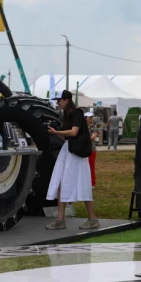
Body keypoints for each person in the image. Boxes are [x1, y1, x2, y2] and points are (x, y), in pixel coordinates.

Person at [45, 90, 100, 230]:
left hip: (75, 154)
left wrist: (56, 132)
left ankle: (92, 219)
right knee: (62, 183)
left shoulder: (77, 113)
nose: (58, 102)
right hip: (69, 151)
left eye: (60, 100)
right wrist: (56, 131)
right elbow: (67, 137)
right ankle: (60, 220)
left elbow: (74, 132)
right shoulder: (67, 115)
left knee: (81, 183)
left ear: (67, 100)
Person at [85, 112, 98, 188]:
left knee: (91, 166)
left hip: (91, 150)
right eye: (89, 117)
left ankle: (92, 183)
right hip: (83, 149)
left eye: (91, 117)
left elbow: (93, 138)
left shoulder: (93, 127)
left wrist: (83, 139)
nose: (90, 118)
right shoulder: (82, 127)